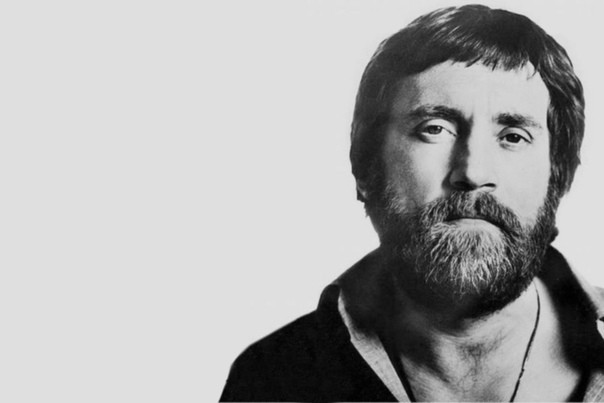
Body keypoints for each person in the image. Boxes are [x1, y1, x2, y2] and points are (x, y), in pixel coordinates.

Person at [220, 5, 604, 401]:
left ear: (559, 176)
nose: (472, 172)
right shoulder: (270, 379)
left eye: (513, 136)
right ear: (366, 167)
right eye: (434, 129)